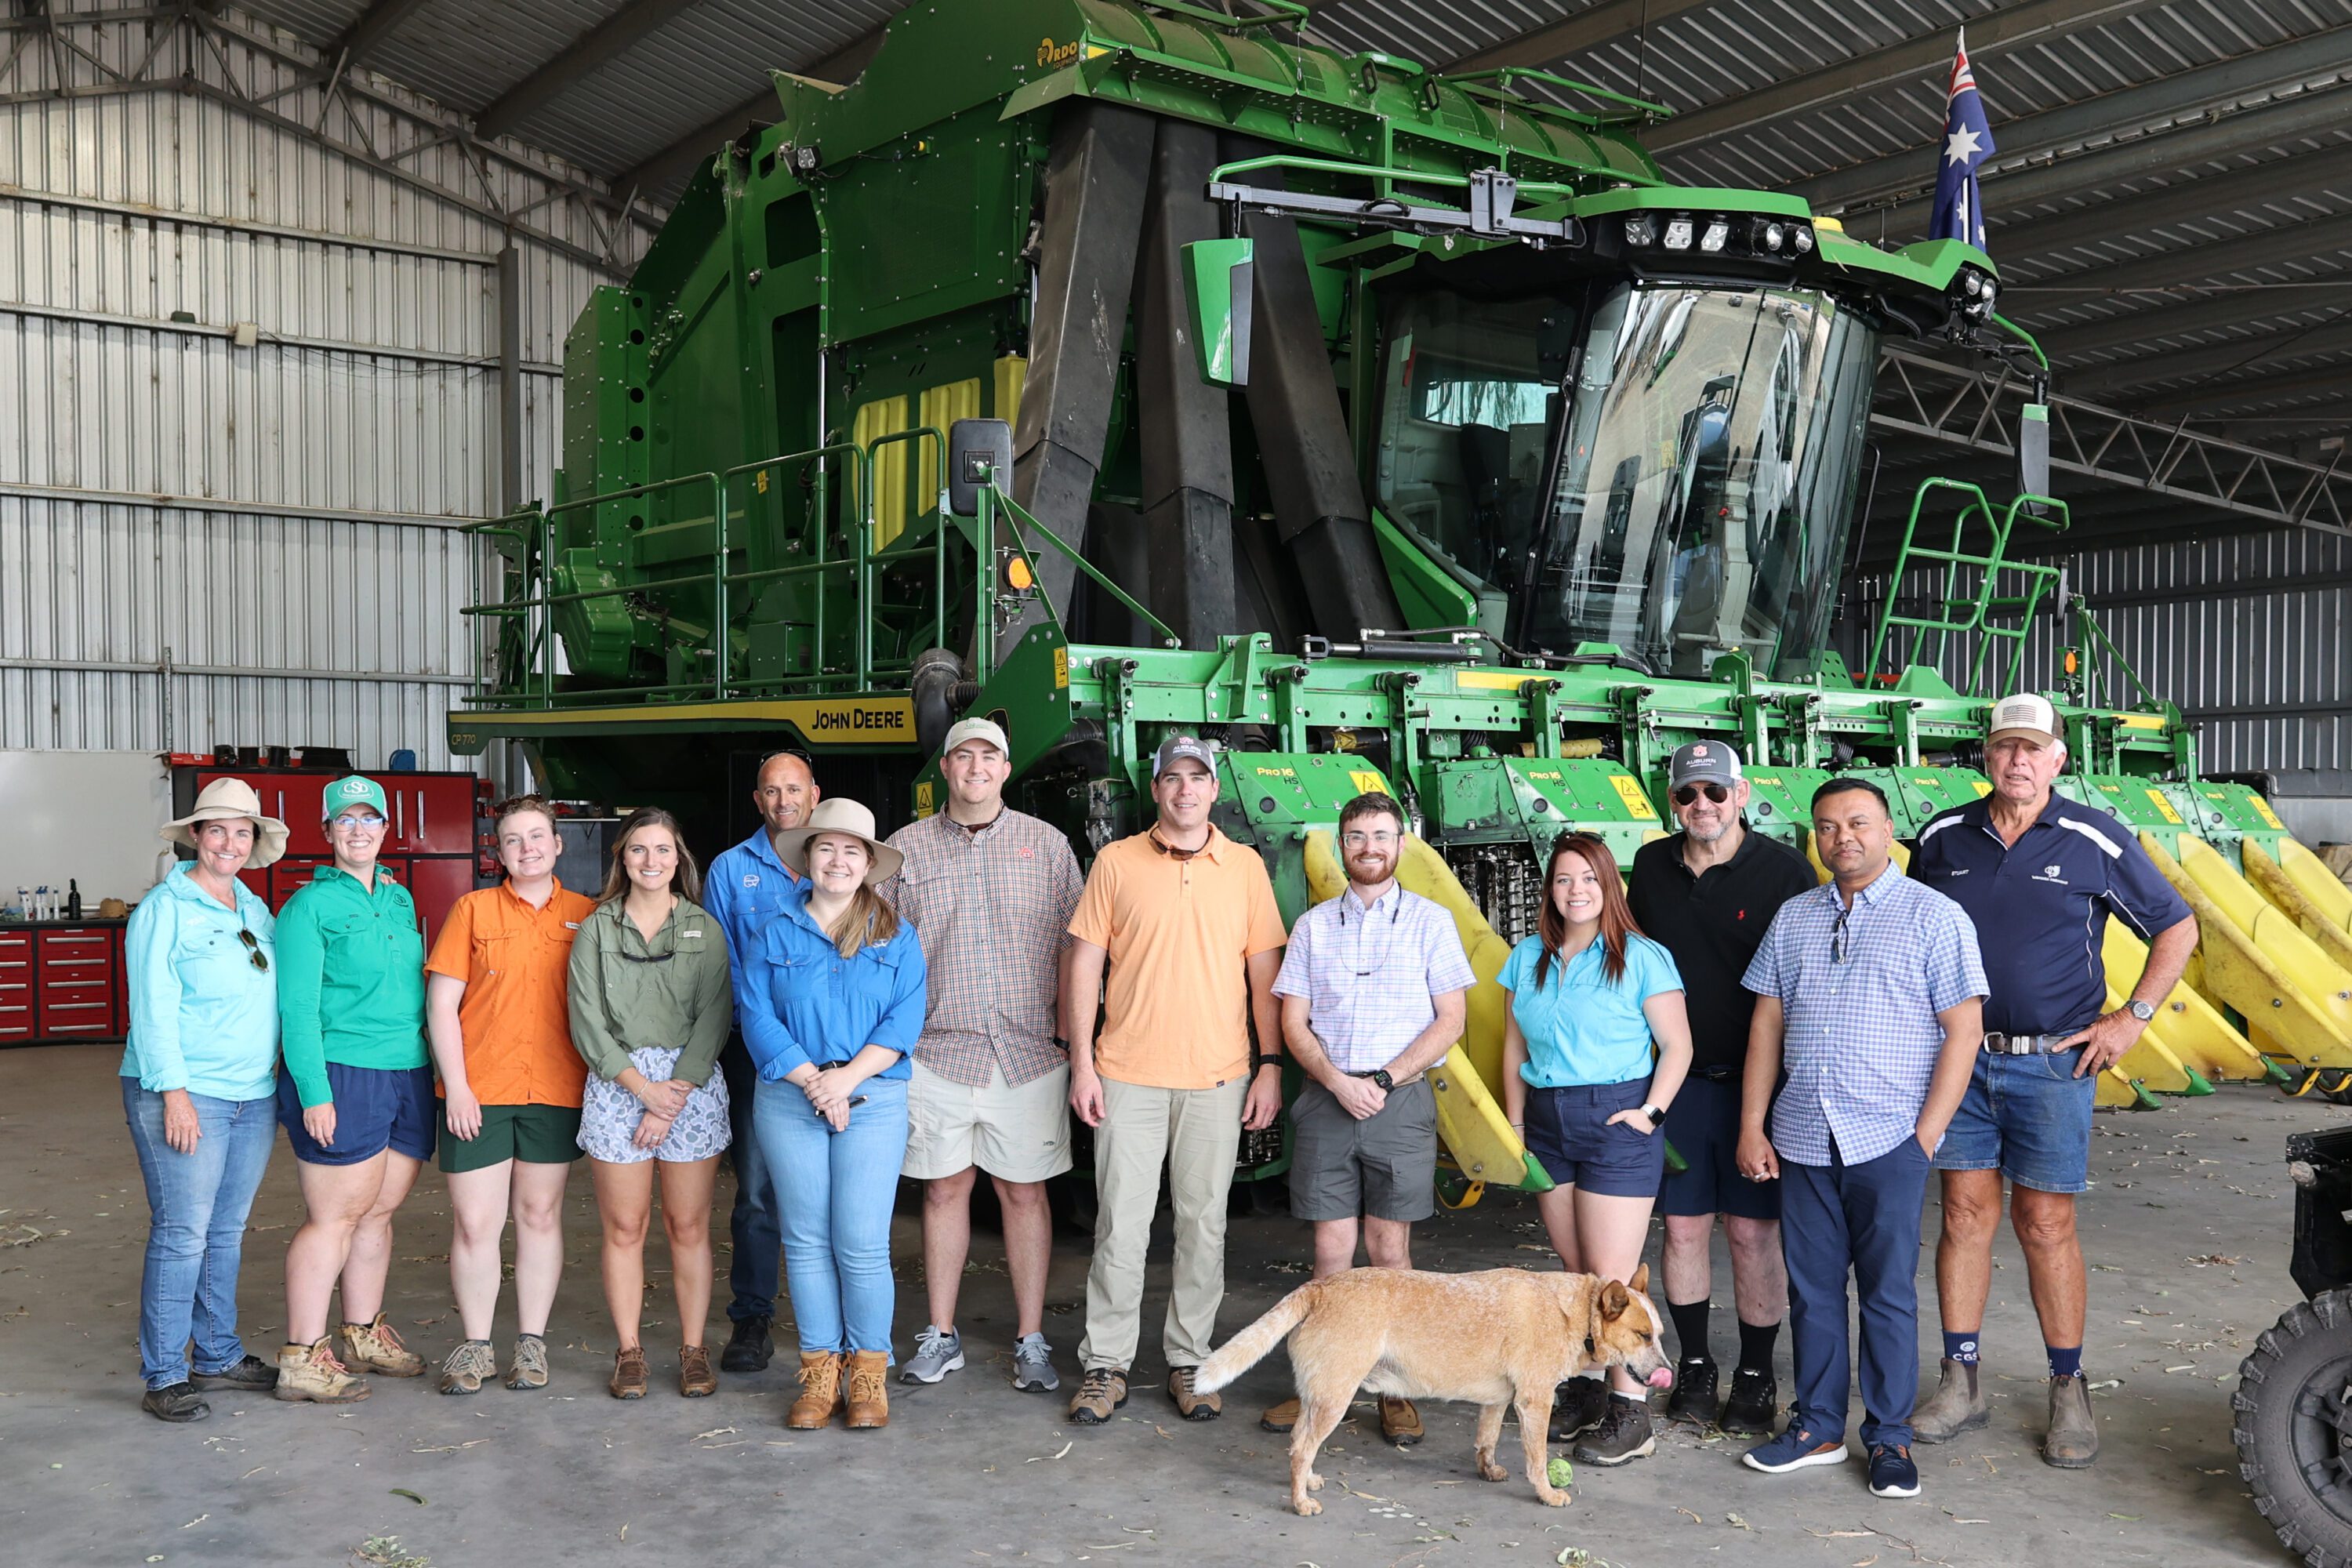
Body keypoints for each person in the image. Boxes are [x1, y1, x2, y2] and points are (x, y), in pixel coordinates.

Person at [1911, 692, 2198, 1468]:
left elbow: (2177, 924)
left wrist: (2131, 1016)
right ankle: (1960, 1379)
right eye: (2006, 746)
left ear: (2058, 758)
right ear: (1986, 755)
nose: (2018, 761)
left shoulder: (2091, 836)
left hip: (2053, 1061)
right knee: (1965, 1214)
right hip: (1961, 1057)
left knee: (2045, 1223)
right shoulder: (1942, 837)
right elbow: (1912, 934)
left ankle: (2067, 1387)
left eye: (2033, 748)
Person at [1737, 777, 1987, 1501]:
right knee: (1813, 1292)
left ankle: (1888, 1438)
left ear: (1887, 831)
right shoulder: (1793, 918)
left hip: (1888, 1139)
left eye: (1857, 823)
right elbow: (1767, 1025)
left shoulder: (1934, 917)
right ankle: (1817, 1426)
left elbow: (1963, 1031)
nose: (1841, 837)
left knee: (1886, 1294)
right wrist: (1754, 1125)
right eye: (1825, 826)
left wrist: (1926, 1136)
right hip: (1804, 1135)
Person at [1063, 735, 1288, 1427]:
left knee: (1204, 1228)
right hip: (1125, 1074)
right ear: (1155, 790)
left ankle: (1190, 1361)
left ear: (1214, 790)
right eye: (1172, 779)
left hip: (1218, 1079)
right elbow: (1083, 969)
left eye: (1198, 778)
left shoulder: (1245, 867)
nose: (1185, 790)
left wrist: (1270, 1066)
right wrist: (1081, 1064)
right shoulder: (1116, 862)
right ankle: (1106, 1367)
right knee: (1120, 1229)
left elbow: (1264, 976)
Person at [1259, 789, 1473, 1448]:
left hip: (1399, 1100)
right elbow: (1292, 1020)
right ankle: (1321, 1388)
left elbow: (1451, 1020)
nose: (1370, 847)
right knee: (1330, 1257)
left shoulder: (1432, 923)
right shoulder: (1316, 927)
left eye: (1382, 836)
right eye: (1357, 837)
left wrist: (1382, 1079)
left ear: (1400, 846)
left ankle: (1394, 1390)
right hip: (1327, 1100)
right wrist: (1334, 1080)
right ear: (1343, 846)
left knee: (1390, 1255)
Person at [878, 718, 1084, 1393]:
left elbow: (1079, 951)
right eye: (962, 755)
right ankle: (941, 1335)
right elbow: (877, 951)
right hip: (936, 1050)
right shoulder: (905, 850)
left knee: (1024, 1193)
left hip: (1027, 1052)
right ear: (945, 767)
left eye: (988, 755)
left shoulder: (1047, 846)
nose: (975, 766)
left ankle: (1030, 1339)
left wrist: (1073, 1039)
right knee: (943, 1190)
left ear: (1005, 767)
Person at [1625, 742, 1814, 1432]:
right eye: (1686, 795)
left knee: (1751, 1234)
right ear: (1671, 801)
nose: (1700, 805)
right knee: (1680, 1230)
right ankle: (1698, 1366)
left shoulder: (1786, 873)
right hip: (1676, 1085)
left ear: (1741, 794)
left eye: (1714, 792)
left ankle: (1758, 1373)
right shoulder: (1649, 866)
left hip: (1757, 1086)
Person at [1499, 831, 1693, 1468]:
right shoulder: (1527, 957)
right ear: (1548, 890)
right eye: (1563, 879)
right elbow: (1513, 1049)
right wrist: (1517, 1125)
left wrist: (1651, 1112)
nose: (1575, 890)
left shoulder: (1641, 956)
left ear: (1609, 885)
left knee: (1612, 1283)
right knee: (1577, 1270)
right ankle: (1585, 1388)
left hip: (1616, 1117)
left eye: (1588, 878)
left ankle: (1631, 1414)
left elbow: (1679, 1045)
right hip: (1548, 1120)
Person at [738, 797, 928, 1432]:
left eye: (852, 850)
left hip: (871, 1099)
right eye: (826, 848)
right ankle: (820, 1372)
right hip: (792, 1097)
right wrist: (814, 1081)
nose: (838, 860)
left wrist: (844, 1080)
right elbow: (756, 1015)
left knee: (862, 1243)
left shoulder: (896, 936)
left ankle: (868, 1373)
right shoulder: (772, 931)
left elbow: (904, 1020)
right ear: (808, 859)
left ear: (869, 864)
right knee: (806, 1240)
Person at [121, 779, 291, 1421]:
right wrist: (175, 1095)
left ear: (254, 841)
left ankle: (216, 1352)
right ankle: (165, 1372)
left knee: (225, 1231)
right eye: (216, 829)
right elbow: (153, 1010)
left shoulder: (252, 907)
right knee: (183, 1232)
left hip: (253, 1093)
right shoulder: (164, 910)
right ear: (195, 837)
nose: (229, 842)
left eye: (241, 831)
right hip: (187, 1093)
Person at [425, 794, 597, 1396]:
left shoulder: (587, 915)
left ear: (558, 846)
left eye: (537, 837)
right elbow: (442, 1005)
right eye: (514, 839)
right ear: (499, 852)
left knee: (539, 1215)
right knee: (476, 1223)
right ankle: (475, 1347)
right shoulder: (472, 911)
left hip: (555, 1087)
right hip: (481, 1091)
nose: (527, 848)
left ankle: (531, 1345)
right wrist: (460, 1090)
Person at [273, 774, 436, 1404]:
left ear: (386, 830)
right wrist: (315, 1091)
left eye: (371, 819)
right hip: (344, 1071)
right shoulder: (308, 908)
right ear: (328, 832)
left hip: (406, 1070)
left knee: (379, 1211)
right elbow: (297, 1009)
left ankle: (361, 1334)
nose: (360, 830)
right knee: (334, 1217)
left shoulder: (397, 898)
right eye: (347, 820)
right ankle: (301, 1356)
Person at [568, 808, 735, 1400]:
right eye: (638, 849)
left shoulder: (704, 928)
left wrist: (671, 1098)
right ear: (622, 858)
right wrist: (643, 1091)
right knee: (625, 1227)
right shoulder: (596, 929)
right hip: (619, 1083)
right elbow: (587, 1022)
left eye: (662, 849)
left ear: (679, 858)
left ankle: (693, 1350)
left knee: (688, 1226)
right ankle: (630, 1351)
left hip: (688, 1087)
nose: (651, 861)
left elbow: (716, 1015)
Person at [702, 750, 819, 1374]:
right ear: (757, 800)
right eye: (771, 791)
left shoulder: (837, 860)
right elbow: (720, 969)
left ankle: (835, 1330)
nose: (783, 802)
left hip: (834, 1056)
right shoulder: (730, 869)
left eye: (793, 790)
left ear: (814, 795)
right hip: (757, 1056)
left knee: (834, 1193)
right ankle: (752, 1319)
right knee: (756, 1193)